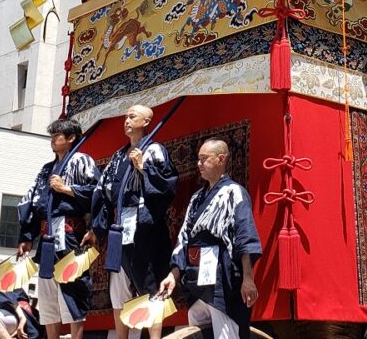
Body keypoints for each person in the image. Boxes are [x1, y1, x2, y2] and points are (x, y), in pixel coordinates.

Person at [86, 105, 178, 339]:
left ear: (147, 121)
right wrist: (97, 228)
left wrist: (144, 168)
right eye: (125, 116)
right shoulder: (118, 156)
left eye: (132, 116)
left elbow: (168, 186)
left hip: (144, 229)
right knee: (118, 291)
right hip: (119, 230)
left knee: (150, 286)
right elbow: (103, 191)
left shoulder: (155, 150)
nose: (126, 120)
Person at [158, 139, 262, 339]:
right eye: (198, 159)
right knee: (198, 330)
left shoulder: (234, 192)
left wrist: (248, 278)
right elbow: (183, 238)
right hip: (196, 279)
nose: (199, 164)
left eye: (204, 159)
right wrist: (173, 275)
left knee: (226, 334)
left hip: (222, 280)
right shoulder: (196, 198)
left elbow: (245, 236)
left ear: (221, 159)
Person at [17, 119, 100, 339]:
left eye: (57, 136)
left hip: (71, 231)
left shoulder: (82, 161)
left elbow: (97, 194)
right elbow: (33, 201)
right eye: (51, 136)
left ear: (71, 137)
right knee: (46, 291)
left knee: (73, 287)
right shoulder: (46, 169)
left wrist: (66, 189)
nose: (52, 140)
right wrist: (26, 236)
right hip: (46, 235)